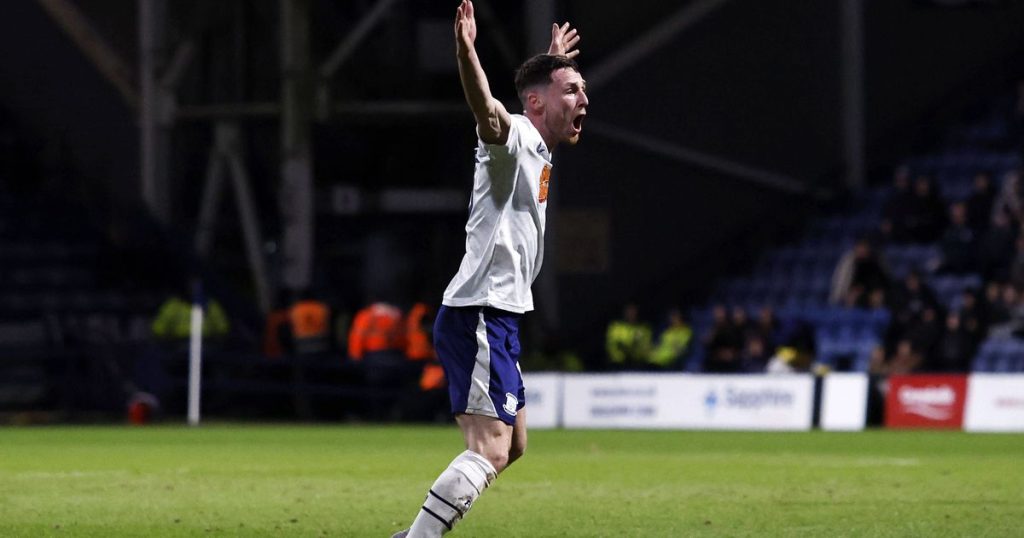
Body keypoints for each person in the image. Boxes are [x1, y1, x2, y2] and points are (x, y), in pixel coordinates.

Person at [394, 4, 586, 536]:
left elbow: (530, 97)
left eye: (582, 90)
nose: (583, 99)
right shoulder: (517, 137)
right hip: (481, 311)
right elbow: (488, 112)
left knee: (515, 444)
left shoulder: (539, 149)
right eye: (571, 90)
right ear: (534, 101)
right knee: (492, 449)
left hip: (498, 315)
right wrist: (466, 52)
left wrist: (555, 67)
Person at [606, 303, 653, 369]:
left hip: (638, 363)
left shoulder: (643, 329)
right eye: (629, 311)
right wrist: (622, 352)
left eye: (633, 311)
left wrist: (635, 349)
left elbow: (646, 347)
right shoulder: (616, 327)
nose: (631, 314)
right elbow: (611, 345)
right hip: (618, 364)